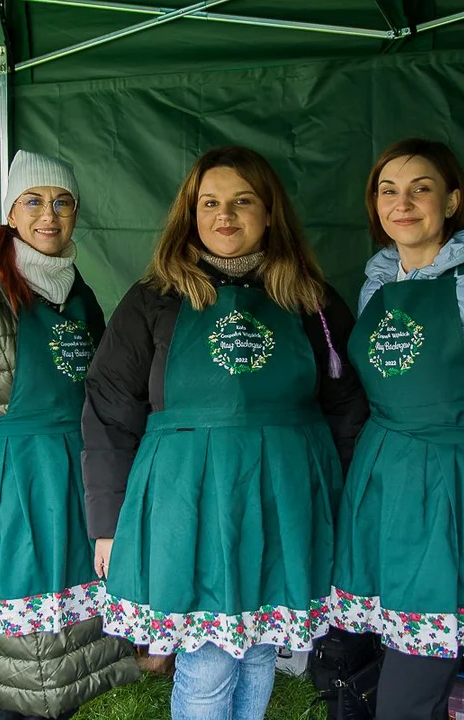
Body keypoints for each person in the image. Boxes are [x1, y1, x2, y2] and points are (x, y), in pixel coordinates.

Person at [83, 146, 368, 720]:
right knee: (209, 659)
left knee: (260, 648)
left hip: (283, 497)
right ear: (190, 214)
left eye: (242, 202)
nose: (225, 217)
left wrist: (337, 503)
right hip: (187, 498)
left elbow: (346, 405)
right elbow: (110, 409)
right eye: (209, 203)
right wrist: (107, 524)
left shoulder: (310, 299)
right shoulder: (153, 298)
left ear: (270, 213)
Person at [330, 138, 464, 719]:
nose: (402, 204)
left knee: (409, 688)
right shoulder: (380, 279)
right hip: (386, 485)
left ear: (452, 200)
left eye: (420, 189)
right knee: (399, 661)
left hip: (453, 492)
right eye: (388, 191)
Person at [0, 150, 139, 720]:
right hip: (10, 494)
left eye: (62, 202)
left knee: (65, 652)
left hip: (75, 484)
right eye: (34, 201)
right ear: (11, 214)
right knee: (21, 662)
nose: (50, 214)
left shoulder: (80, 295)